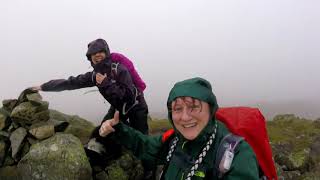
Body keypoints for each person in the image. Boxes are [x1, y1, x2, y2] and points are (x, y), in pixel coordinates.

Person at [99, 77, 260, 179]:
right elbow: (145, 146)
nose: (184, 117)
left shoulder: (237, 154)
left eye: (194, 107)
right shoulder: (174, 141)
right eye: (177, 109)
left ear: (211, 109)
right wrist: (118, 129)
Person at [31, 38, 149, 135]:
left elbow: (128, 96)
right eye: (93, 53)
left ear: (106, 52)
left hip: (136, 106)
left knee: (142, 140)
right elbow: (71, 83)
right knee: (100, 135)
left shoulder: (119, 70)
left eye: (100, 51)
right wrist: (44, 86)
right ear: (90, 58)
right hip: (117, 108)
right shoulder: (94, 76)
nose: (97, 55)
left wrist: (106, 83)